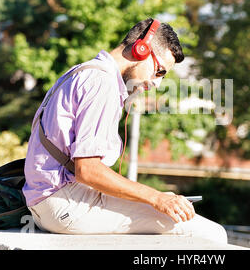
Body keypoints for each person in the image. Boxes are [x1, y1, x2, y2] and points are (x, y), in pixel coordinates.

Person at [23, 18, 227, 244]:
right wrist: (156, 198)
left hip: (49, 201)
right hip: (65, 204)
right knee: (211, 235)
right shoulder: (103, 83)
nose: (157, 84)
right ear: (141, 50)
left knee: (168, 203)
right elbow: (87, 171)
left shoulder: (82, 71)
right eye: (159, 71)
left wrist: (158, 198)